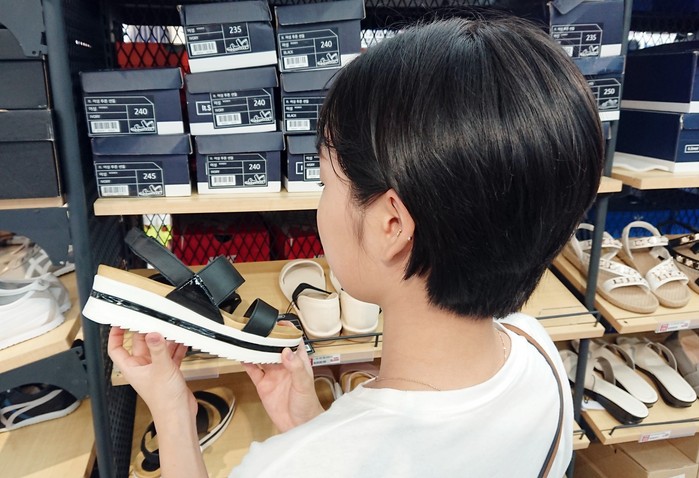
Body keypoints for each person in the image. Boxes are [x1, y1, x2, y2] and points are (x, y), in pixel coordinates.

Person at [108, 12, 603, 478]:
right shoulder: (540, 358)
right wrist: (308, 424)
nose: (321, 203)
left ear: (391, 225)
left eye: (326, 182)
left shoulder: (284, 469)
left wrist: (173, 411)